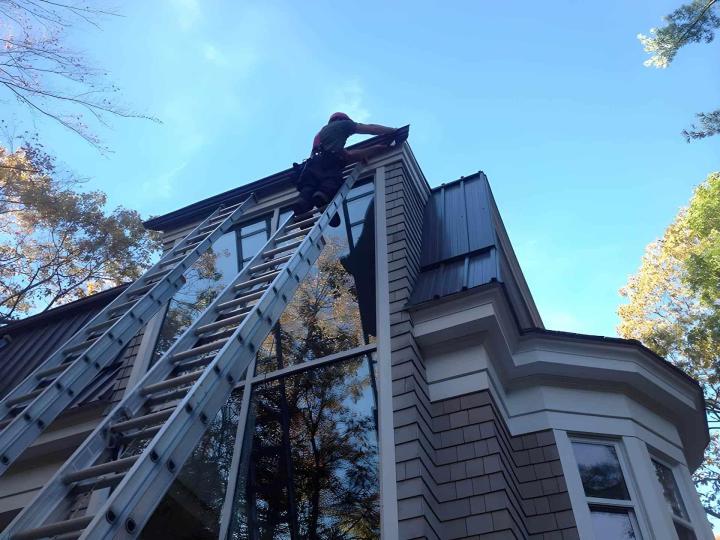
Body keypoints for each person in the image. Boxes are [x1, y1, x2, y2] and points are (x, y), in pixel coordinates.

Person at [292, 113, 403, 218]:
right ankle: (322, 197)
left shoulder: (320, 134)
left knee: (309, 187)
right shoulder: (344, 124)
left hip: (311, 166)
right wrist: (393, 131)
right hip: (330, 163)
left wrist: (373, 150)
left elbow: (348, 156)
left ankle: (302, 204)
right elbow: (371, 128)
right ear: (343, 119)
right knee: (332, 181)